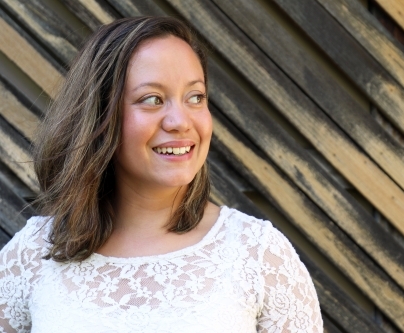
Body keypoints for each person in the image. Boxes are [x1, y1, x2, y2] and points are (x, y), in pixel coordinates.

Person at [0, 16, 322, 332]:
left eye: (195, 97)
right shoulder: (34, 252)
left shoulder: (260, 256)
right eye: (152, 99)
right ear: (99, 115)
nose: (180, 121)